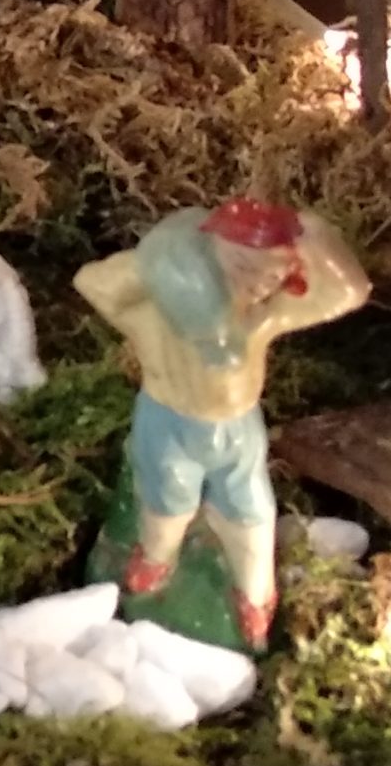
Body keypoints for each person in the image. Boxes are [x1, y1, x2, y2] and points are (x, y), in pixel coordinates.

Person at [76, 198, 369, 652]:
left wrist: (315, 233)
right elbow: (92, 283)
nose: (259, 284)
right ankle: (153, 564)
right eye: (244, 267)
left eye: (273, 275)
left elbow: (348, 292)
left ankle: (255, 599)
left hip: (238, 432)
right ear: (208, 256)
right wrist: (168, 257)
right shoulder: (155, 314)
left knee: (252, 514)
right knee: (167, 508)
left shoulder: (263, 316)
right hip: (170, 423)